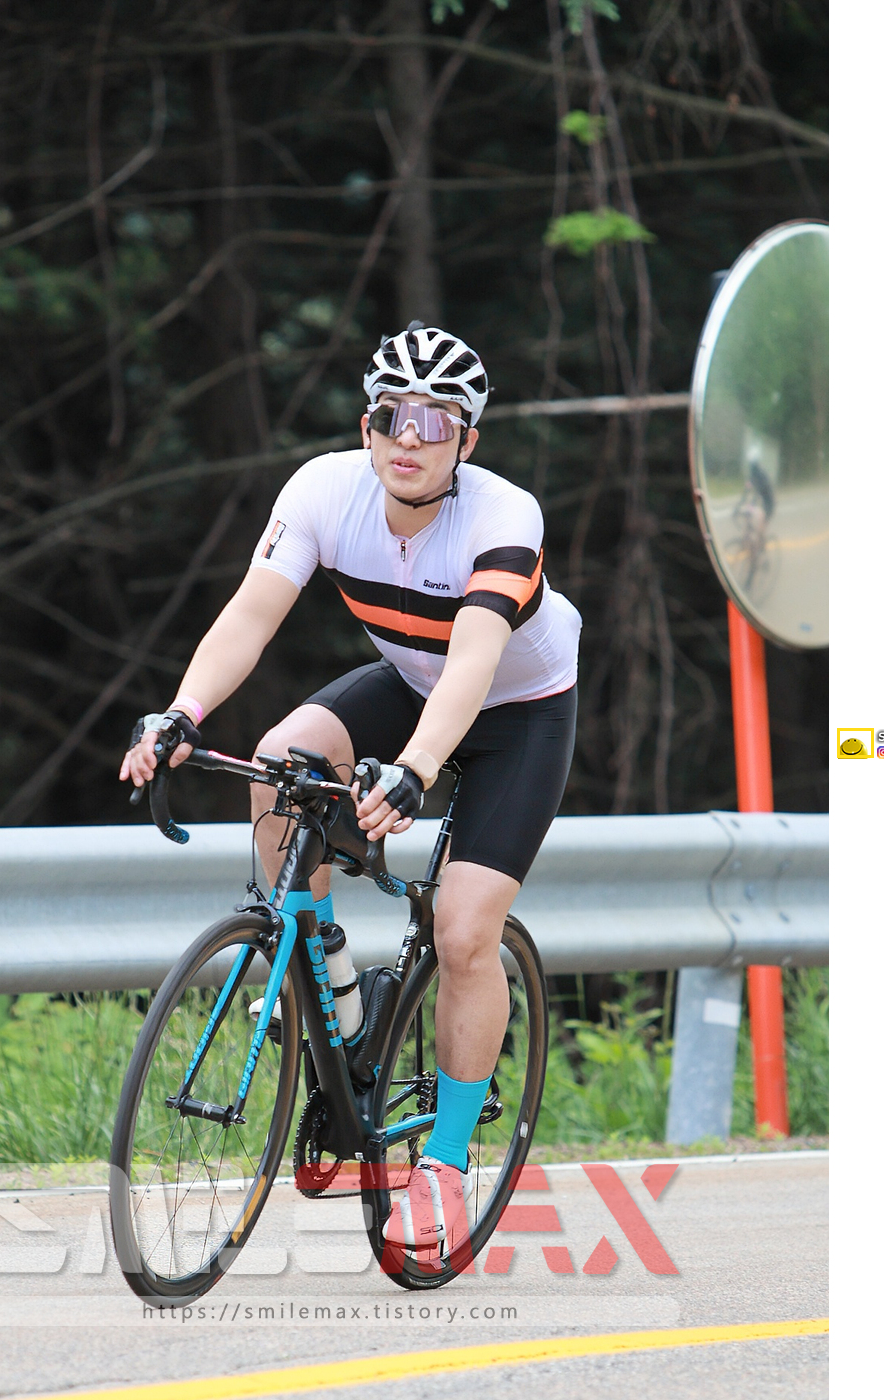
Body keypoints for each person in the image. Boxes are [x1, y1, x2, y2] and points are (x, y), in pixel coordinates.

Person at [119, 322, 581, 1266]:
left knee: (463, 931)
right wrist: (181, 712)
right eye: (389, 416)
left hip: (517, 710)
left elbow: (474, 662)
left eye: (435, 421)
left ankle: (443, 1163)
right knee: (280, 759)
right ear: (365, 425)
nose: (408, 437)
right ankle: (334, 990)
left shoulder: (505, 517)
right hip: (411, 682)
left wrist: (414, 770)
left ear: (467, 441)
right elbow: (250, 614)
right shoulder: (323, 491)